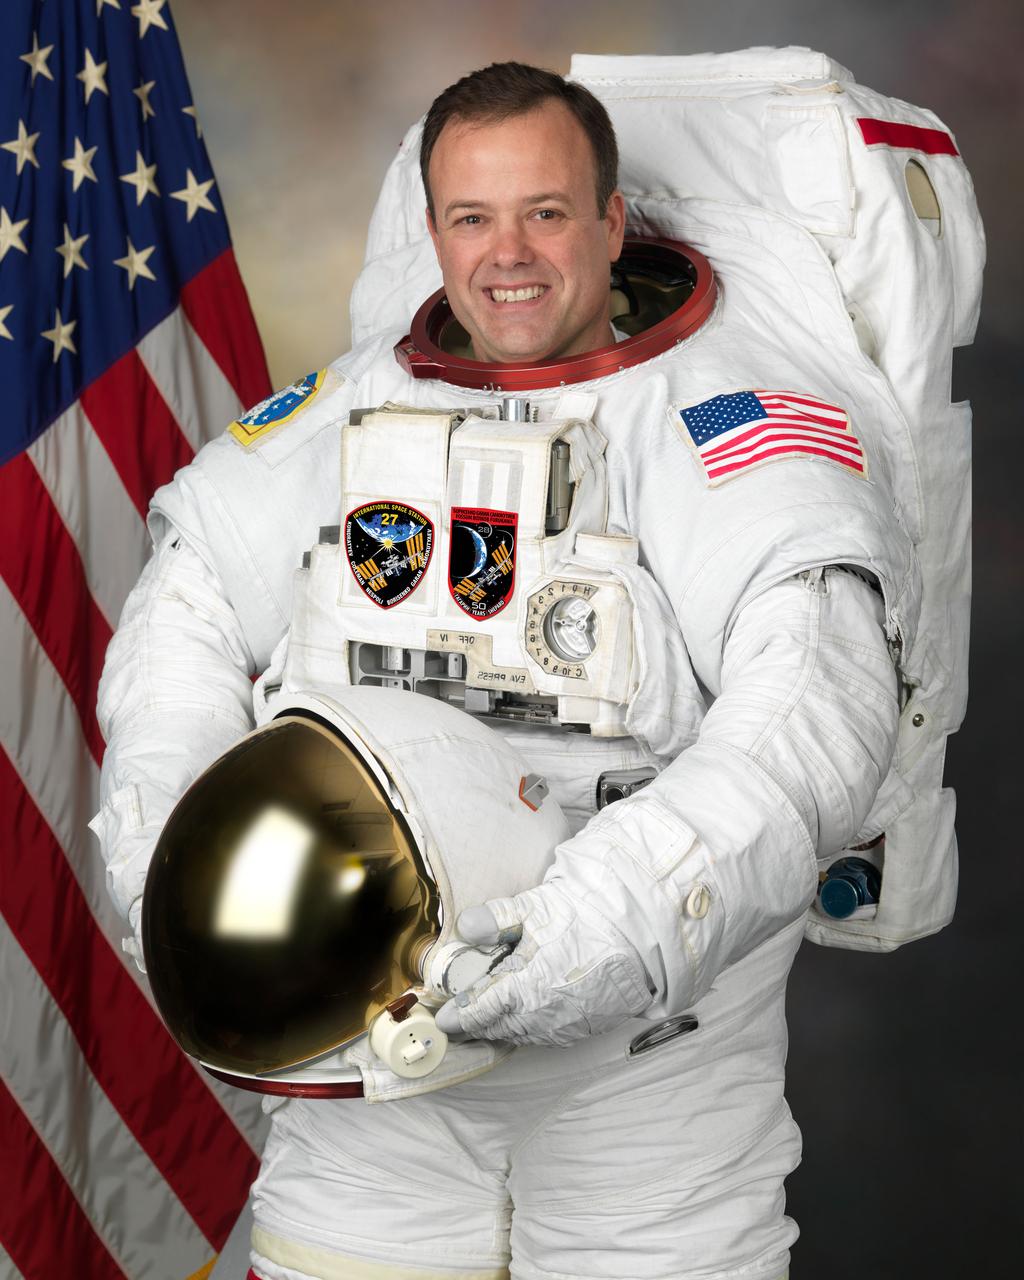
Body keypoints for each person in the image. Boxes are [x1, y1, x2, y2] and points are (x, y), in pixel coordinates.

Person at [94, 63, 918, 1280]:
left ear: (610, 221)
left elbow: (806, 728)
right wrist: (172, 859)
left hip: (646, 1076)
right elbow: (183, 626)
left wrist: (600, 930)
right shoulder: (341, 416)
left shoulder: (728, 430)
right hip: (370, 1071)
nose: (507, 254)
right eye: (472, 218)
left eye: (544, 211)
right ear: (432, 232)